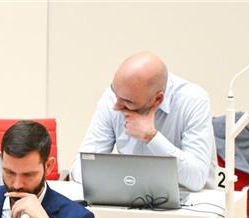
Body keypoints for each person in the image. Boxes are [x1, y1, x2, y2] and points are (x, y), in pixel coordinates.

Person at [69, 52, 215, 191]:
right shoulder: (115, 96)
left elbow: (196, 179)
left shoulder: (193, 101)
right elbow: (80, 168)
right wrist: (114, 177)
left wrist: (152, 137)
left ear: (157, 99)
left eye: (127, 102)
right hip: (132, 198)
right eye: (115, 93)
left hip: (192, 205)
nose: (116, 105)